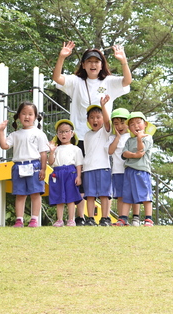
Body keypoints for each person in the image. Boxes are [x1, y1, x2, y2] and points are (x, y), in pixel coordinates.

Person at [52, 41, 132, 224]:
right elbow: (57, 78)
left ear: (102, 64)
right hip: (80, 137)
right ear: (83, 65)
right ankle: (80, 217)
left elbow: (127, 81)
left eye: (97, 61)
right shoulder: (76, 82)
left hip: (102, 138)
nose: (93, 64)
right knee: (79, 178)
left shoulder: (108, 82)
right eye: (89, 61)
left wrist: (123, 61)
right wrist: (62, 56)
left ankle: (104, 217)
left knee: (103, 179)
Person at [0, 101, 49, 228]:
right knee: (20, 194)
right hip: (18, 167)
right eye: (24, 113)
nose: (27, 117)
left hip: (35, 166)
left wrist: (43, 169)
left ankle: (34, 219)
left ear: (35, 117)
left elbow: (43, 153)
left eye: (30, 114)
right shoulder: (15, 134)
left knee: (35, 193)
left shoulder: (39, 133)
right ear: (19, 116)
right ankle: (19, 220)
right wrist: (1, 131)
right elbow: (4, 146)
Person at [116, 112, 155, 227]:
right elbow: (124, 153)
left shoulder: (148, 138)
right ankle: (123, 218)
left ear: (145, 124)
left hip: (142, 170)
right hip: (129, 171)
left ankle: (148, 219)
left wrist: (139, 140)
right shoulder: (128, 140)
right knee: (127, 195)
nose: (136, 126)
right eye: (132, 124)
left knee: (145, 195)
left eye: (138, 122)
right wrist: (134, 154)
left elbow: (141, 151)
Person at [81, 96, 113, 226]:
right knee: (90, 195)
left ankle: (105, 218)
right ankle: (90, 219)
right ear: (88, 120)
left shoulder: (105, 132)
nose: (95, 120)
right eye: (92, 117)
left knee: (104, 194)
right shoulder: (87, 135)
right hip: (88, 168)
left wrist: (103, 106)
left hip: (103, 167)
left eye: (98, 117)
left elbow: (107, 122)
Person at [106, 107, 141, 225]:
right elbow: (110, 151)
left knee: (134, 194)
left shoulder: (132, 137)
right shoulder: (112, 138)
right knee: (120, 196)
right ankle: (122, 218)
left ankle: (136, 217)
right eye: (116, 124)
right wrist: (117, 138)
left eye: (122, 123)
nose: (120, 126)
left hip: (131, 170)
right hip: (117, 171)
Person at [47, 119, 83, 227]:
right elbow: (51, 162)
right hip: (57, 173)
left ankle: (71, 219)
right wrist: (52, 152)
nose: (63, 134)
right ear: (57, 134)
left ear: (72, 133)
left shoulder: (76, 149)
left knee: (71, 197)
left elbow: (78, 164)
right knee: (59, 197)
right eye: (60, 132)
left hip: (71, 173)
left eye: (66, 131)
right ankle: (59, 219)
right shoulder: (56, 149)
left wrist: (79, 177)